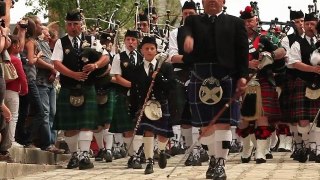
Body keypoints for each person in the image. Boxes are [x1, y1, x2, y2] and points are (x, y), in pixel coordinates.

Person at [181, 0, 249, 179]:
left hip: (226, 76)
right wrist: (187, 39)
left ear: (223, 1)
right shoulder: (193, 21)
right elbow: (185, 32)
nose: (212, 0)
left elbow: (242, 52)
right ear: (202, 1)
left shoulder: (236, 23)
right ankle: (212, 158)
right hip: (200, 75)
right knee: (206, 126)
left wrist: (243, 76)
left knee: (223, 122)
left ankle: (220, 163)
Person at [52, 9, 108, 170]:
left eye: (75, 24)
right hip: (69, 87)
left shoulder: (91, 39)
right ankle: (74, 155)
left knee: (86, 124)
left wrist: (95, 64)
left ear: (81, 24)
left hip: (88, 87)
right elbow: (56, 63)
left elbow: (106, 57)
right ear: (66, 25)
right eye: (69, 24)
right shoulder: (61, 42)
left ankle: (84, 156)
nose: (72, 27)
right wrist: (73, 75)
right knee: (70, 127)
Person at [236, 5, 286, 164]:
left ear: (255, 21)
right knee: (243, 119)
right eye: (245, 21)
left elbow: (282, 51)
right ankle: (246, 147)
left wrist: (269, 55)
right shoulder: (236, 41)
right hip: (243, 80)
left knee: (262, 116)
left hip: (263, 80)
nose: (248, 24)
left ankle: (260, 152)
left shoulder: (265, 38)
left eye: (250, 20)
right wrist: (247, 64)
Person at [168, 0, 205, 165]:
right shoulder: (175, 33)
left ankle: (200, 149)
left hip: (202, 76)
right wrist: (193, 58)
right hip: (181, 76)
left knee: (199, 115)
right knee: (185, 117)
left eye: (191, 14)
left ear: (196, 14)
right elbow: (172, 57)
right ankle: (191, 151)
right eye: (185, 14)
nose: (188, 16)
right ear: (182, 15)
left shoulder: (205, 31)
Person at [130, 36, 174, 174]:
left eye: (152, 48)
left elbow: (171, 85)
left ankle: (161, 150)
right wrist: (134, 109)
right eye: (146, 48)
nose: (149, 51)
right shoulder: (136, 69)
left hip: (161, 103)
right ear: (141, 50)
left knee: (163, 134)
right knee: (148, 131)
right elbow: (134, 89)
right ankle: (149, 161)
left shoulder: (165, 66)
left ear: (156, 50)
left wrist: (159, 77)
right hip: (145, 104)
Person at [287, 12, 320, 163]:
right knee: (304, 120)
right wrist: (312, 69)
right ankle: (307, 145)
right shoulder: (297, 43)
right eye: (306, 24)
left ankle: (316, 148)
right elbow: (294, 63)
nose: (309, 27)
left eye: (312, 24)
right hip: (304, 82)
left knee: (318, 118)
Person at [110, 30, 144, 169]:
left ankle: (137, 153)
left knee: (139, 126)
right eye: (128, 39)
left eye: (133, 40)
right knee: (127, 127)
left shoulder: (142, 57)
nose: (131, 42)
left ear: (137, 42)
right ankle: (133, 155)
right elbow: (117, 77)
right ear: (125, 41)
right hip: (125, 95)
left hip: (140, 96)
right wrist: (133, 85)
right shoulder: (119, 57)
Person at [279, 9, 305, 157]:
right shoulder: (286, 39)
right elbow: (289, 61)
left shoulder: (313, 38)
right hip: (293, 77)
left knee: (306, 116)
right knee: (294, 116)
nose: (300, 24)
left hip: (311, 77)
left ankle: (308, 144)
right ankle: (298, 144)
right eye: (297, 22)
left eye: (302, 20)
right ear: (292, 23)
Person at [5, 35, 28, 148]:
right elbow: (22, 76)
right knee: (13, 116)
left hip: (2, 90)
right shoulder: (15, 59)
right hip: (13, 91)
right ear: (13, 45)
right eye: (17, 44)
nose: (19, 46)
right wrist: (25, 89)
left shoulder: (4, 58)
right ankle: (10, 141)